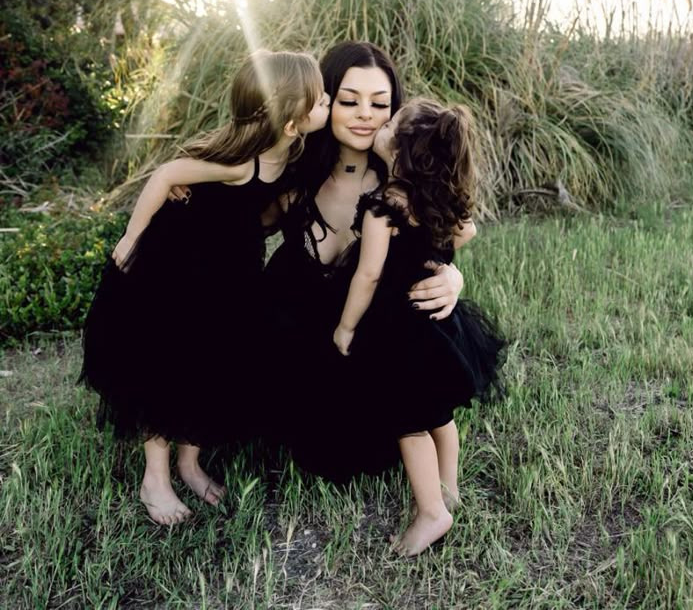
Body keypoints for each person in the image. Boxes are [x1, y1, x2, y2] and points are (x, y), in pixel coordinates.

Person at [80, 50, 330, 526]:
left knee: (213, 366)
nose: (330, 103)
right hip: (176, 271)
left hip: (229, 275)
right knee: (168, 366)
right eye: (321, 100)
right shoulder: (240, 163)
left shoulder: (291, 156)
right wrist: (132, 237)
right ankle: (155, 475)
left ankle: (189, 463)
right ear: (293, 121)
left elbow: (258, 215)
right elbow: (168, 174)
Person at [260, 42, 467, 481]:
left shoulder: (405, 183)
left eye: (380, 103)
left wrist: (454, 276)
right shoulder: (292, 170)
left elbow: (453, 230)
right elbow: (239, 223)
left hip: (371, 345)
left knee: (365, 454)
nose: (364, 115)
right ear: (322, 100)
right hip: (299, 337)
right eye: (349, 100)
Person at [332, 97, 505, 556]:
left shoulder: (384, 206)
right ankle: (449, 490)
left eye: (390, 123)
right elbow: (466, 232)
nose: (381, 125)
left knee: (409, 425)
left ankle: (432, 511)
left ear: (403, 148)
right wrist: (441, 259)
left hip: (398, 331)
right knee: (440, 416)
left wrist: (347, 327)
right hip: (439, 327)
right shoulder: (440, 199)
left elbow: (366, 276)